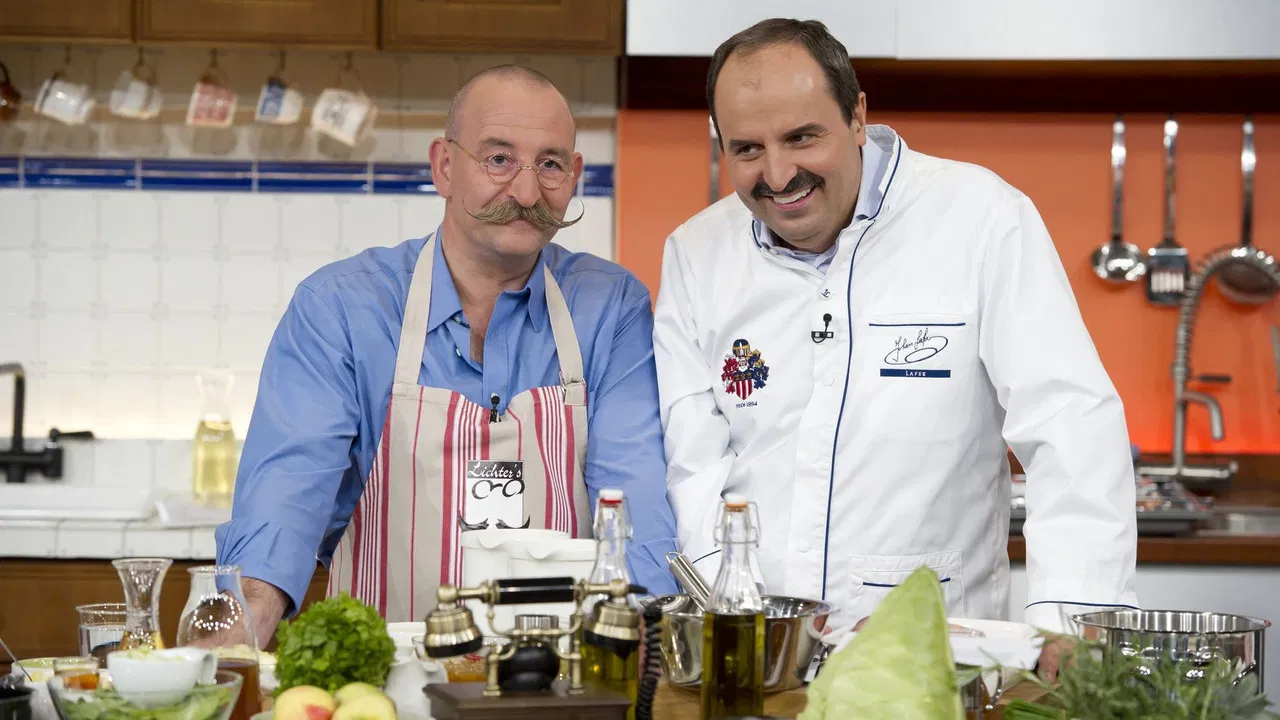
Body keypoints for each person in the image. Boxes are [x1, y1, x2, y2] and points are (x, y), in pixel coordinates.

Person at [652, 18, 1138, 679]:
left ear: (857, 116)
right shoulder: (696, 253)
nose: (778, 173)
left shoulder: (981, 219)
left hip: (940, 659)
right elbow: (695, 466)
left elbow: (1070, 427)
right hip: (761, 661)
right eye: (747, 149)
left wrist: (1070, 628)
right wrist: (733, 615)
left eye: (801, 137)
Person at [216, 65, 680, 643]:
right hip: (385, 677)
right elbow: (284, 497)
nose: (527, 193)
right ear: (443, 166)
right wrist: (236, 635)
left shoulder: (610, 308)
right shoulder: (341, 308)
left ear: (575, 176)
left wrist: (648, 646)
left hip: (562, 675)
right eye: (499, 159)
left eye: (550, 164)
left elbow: (632, 508)